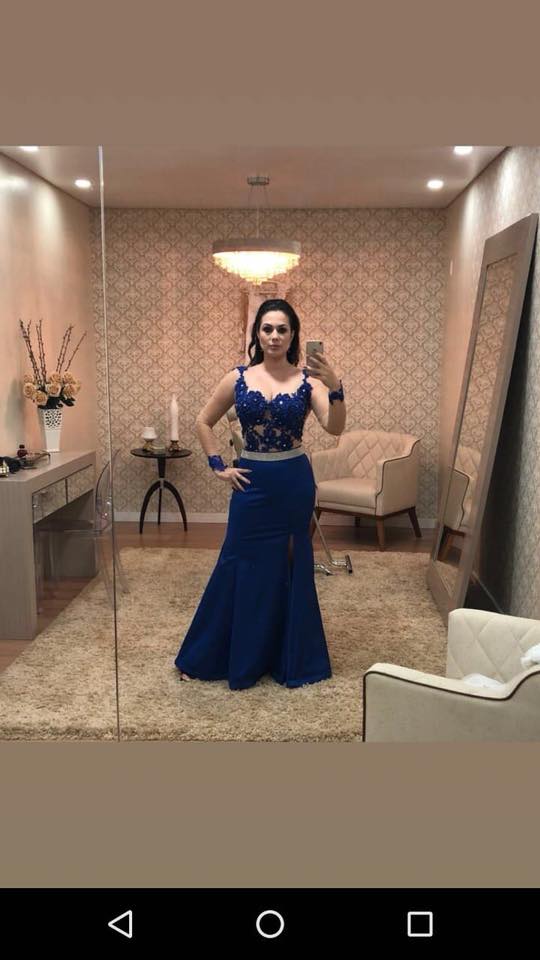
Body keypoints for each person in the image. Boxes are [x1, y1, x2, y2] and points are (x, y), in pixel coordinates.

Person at [174, 298, 346, 689]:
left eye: (282, 329)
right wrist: (218, 465)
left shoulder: (309, 382)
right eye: (267, 329)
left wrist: (336, 387)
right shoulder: (238, 378)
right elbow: (203, 421)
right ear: (257, 333)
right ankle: (215, 653)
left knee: (290, 564)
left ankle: (288, 655)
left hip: (293, 483)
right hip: (251, 483)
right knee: (237, 560)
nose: (274, 336)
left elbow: (334, 427)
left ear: (293, 335)